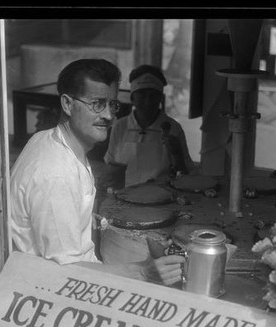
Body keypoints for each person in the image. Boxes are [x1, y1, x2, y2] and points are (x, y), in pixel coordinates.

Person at [10, 59, 184, 286]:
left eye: (112, 105)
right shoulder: (55, 174)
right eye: (97, 104)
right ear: (67, 104)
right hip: (45, 291)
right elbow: (66, 273)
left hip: (74, 276)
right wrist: (143, 273)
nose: (109, 115)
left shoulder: (50, 139)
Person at [104, 64, 194, 187]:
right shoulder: (120, 126)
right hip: (124, 196)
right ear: (132, 98)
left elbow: (185, 174)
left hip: (162, 197)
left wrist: (177, 154)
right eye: (142, 95)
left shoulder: (174, 128)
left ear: (160, 99)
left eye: (153, 96)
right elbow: (111, 167)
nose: (147, 102)